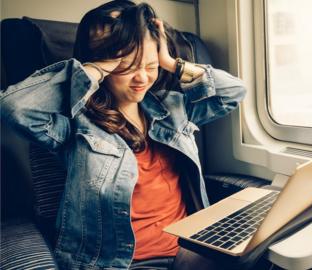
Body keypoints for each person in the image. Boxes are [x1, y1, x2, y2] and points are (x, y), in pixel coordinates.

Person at [0, 1, 245, 269]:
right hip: (125, 263)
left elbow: (233, 92)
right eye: (126, 67)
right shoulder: (75, 123)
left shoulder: (172, 108)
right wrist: (93, 68)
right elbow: (13, 109)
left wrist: (171, 62)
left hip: (190, 250)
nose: (141, 78)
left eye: (150, 66)